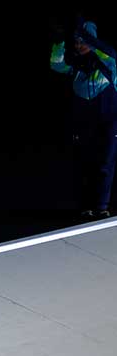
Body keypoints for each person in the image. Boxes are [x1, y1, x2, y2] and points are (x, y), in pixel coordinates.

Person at [50, 17, 117, 219]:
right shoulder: (76, 64)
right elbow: (56, 65)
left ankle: (101, 205)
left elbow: (108, 52)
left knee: (105, 163)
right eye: (77, 42)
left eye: (83, 41)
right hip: (85, 120)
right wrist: (59, 42)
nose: (79, 46)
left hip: (108, 118)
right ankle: (86, 205)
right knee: (86, 162)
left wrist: (87, 36)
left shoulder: (108, 61)